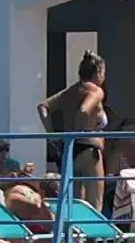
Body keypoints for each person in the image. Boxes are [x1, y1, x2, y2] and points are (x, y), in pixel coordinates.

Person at [41, 51, 110, 217]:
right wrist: (83, 132)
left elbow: (43, 107)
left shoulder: (72, 90)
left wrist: (52, 136)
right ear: (99, 71)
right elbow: (84, 110)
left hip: (69, 150)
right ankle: (94, 239)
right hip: (88, 150)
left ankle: (78, 242)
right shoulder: (96, 91)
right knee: (95, 202)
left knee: (76, 201)